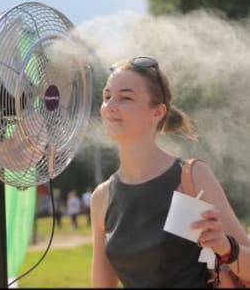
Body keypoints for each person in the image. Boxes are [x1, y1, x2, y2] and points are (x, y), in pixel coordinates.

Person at [90, 56, 250, 288]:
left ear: (156, 113)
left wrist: (225, 246)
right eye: (106, 96)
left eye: (126, 97)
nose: (110, 106)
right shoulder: (102, 198)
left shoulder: (190, 177)